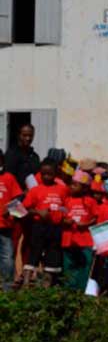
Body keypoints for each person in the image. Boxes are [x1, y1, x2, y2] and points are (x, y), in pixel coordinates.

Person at [22, 158, 67, 287]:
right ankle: (25, 284)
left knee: (52, 256)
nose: (46, 177)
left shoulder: (62, 189)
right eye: (44, 174)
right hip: (39, 227)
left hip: (55, 228)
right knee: (34, 253)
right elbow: (25, 208)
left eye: (50, 174)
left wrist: (62, 214)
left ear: (56, 173)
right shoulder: (35, 190)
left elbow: (65, 206)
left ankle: (46, 288)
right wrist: (38, 212)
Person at [61, 170, 97, 291]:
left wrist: (86, 224)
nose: (71, 187)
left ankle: (80, 292)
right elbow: (60, 217)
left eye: (75, 185)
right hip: (68, 240)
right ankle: (69, 292)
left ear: (85, 188)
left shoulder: (90, 201)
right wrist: (65, 222)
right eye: (71, 184)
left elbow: (96, 218)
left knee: (84, 268)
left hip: (85, 241)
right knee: (69, 267)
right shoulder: (66, 200)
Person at [0, 150, 23, 291]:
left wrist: (10, 210)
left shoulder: (9, 178)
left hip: (5, 226)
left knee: (7, 257)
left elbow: (20, 197)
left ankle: (6, 288)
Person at [4, 123, 40, 191]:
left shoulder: (35, 157)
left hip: (32, 194)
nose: (28, 138)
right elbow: (8, 178)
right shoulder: (11, 154)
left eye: (30, 135)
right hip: (16, 195)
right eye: (24, 135)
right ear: (19, 135)